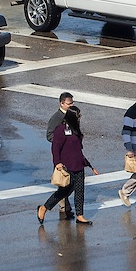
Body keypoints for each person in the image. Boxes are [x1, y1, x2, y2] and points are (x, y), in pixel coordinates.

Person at [38, 106, 99, 225]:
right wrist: (57, 163)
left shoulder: (76, 129)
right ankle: (44, 208)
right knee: (63, 191)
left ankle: (80, 215)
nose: (80, 118)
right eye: (78, 115)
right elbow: (55, 148)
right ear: (72, 116)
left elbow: (78, 149)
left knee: (80, 191)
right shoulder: (60, 130)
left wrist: (89, 165)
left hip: (78, 164)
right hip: (67, 165)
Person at [46, 91, 75, 219]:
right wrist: (62, 141)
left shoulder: (71, 115)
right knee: (63, 183)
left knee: (69, 182)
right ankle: (64, 209)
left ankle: (66, 208)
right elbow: (50, 135)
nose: (71, 105)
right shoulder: (56, 117)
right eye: (69, 103)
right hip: (61, 155)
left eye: (72, 103)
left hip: (70, 154)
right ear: (61, 103)